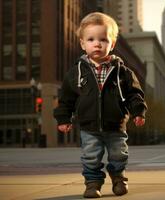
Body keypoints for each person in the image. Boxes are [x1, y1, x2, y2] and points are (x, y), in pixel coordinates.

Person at [53, 12, 147, 198]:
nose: (97, 43)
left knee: (119, 155)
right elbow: (66, 99)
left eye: (103, 39)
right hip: (89, 126)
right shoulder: (75, 73)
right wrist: (64, 118)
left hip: (116, 125)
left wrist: (138, 112)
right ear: (82, 44)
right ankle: (92, 184)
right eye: (91, 39)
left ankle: (119, 178)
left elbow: (134, 94)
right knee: (90, 157)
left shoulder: (123, 72)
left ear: (111, 44)